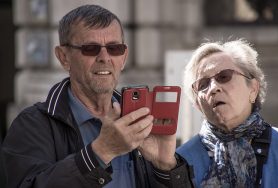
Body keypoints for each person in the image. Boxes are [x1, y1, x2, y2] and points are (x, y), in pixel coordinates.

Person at [2, 5, 194, 188]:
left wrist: (166, 167)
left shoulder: (141, 120)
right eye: (90, 48)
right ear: (64, 57)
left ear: (124, 57)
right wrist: (101, 152)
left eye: (114, 48)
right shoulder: (33, 124)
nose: (104, 57)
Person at [176, 39, 278, 187]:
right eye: (203, 84)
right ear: (197, 105)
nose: (214, 88)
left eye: (224, 76)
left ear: (253, 89)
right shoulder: (179, 163)